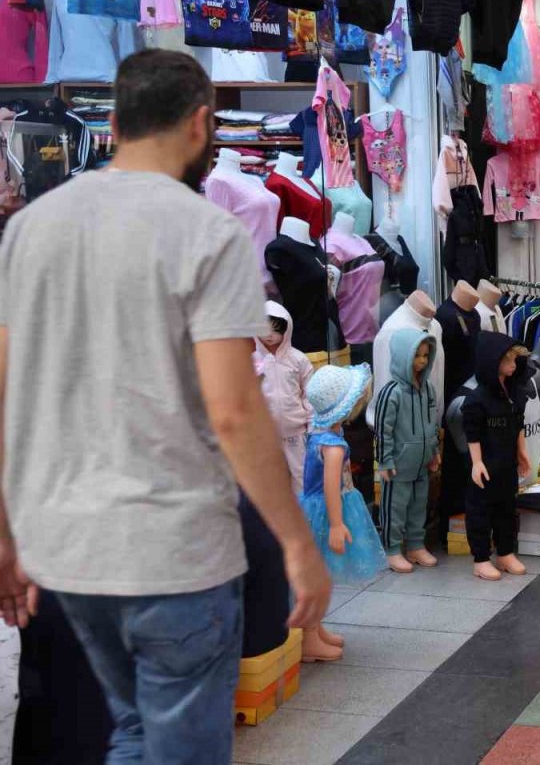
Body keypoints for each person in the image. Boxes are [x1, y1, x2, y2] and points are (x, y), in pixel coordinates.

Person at [0, 49, 331, 760]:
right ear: (202, 125)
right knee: (172, 742)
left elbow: (5, 392)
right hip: (173, 554)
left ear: (113, 125)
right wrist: (297, 543)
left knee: (128, 729)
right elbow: (234, 409)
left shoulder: (29, 230)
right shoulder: (207, 232)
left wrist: (3, 532)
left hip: (66, 551)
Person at [300, 364, 386, 661]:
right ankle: (308, 637)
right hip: (327, 513)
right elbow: (329, 488)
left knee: (322, 574)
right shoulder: (333, 447)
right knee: (319, 577)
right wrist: (336, 524)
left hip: (321, 509)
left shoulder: (319, 435)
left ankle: (315, 629)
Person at [463, 333, 533, 581]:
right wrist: (477, 462)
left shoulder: (513, 394)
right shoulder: (477, 400)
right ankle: (481, 558)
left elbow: (518, 424)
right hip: (485, 464)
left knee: (506, 508)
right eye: (507, 361)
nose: (513, 366)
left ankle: (505, 551)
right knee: (480, 511)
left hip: (506, 463)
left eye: (515, 360)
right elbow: (472, 433)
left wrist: (522, 452)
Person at [375, 330, 443, 574]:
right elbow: (383, 429)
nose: (423, 362)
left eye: (426, 356)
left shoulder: (427, 389)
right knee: (395, 508)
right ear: (403, 356)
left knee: (418, 507)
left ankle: (415, 545)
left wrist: (434, 451)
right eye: (417, 356)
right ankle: (392, 549)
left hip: (421, 464)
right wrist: (384, 460)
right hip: (398, 466)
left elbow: (432, 423)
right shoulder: (391, 392)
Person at [255, 302, 313, 494]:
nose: (270, 335)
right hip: (265, 434)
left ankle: (305, 518)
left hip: (296, 431)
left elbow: (309, 394)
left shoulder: (298, 359)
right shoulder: (253, 360)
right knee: (270, 480)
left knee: (302, 477)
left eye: (277, 330)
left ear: (286, 329)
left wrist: (312, 426)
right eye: (264, 329)